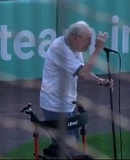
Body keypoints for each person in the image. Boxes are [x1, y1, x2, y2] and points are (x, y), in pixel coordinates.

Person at [39, 21, 113, 154]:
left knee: (71, 147)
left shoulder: (74, 48)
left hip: (67, 103)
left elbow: (82, 70)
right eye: (88, 39)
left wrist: (100, 80)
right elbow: (83, 73)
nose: (90, 43)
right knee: (68, 149)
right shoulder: (60, 49)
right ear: (75, 37)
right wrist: (97, 49)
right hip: (55, 105)